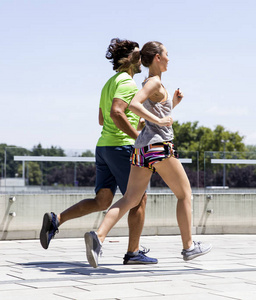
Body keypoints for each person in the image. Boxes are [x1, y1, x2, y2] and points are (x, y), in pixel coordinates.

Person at [84, 41, 212, 268]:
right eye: (166, 54)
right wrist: (160, 120)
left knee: (130, 199)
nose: (169, 58)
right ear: (157, 58)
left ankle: (99, 236)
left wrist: (173, 104)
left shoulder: (148, 82)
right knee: (184, 195)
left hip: (141, 148)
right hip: (158, 147)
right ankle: (189, 246)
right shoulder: (153, 82)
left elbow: (152, 116)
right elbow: (134, 106)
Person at [40, 38, 157, 265]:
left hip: (104, 147)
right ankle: (133, 252)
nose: (141, 56)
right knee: (138, 199)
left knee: (103, 200)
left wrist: (136, 124)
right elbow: (115, 113)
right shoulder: (128, 83)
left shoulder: (109, 83)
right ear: (128, 58)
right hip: (121, 147)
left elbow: (102, 118)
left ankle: (57, 219)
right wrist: (137, 137)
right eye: (137, 53)